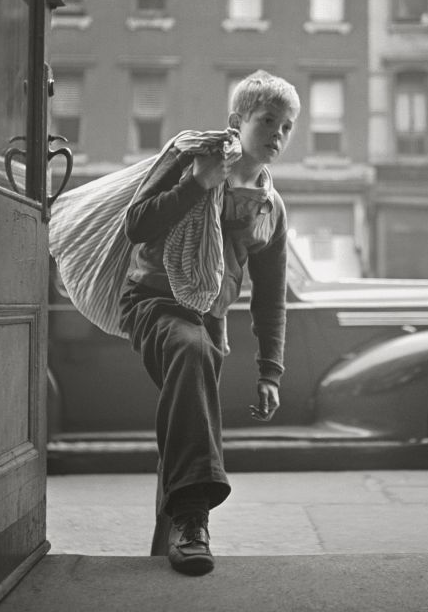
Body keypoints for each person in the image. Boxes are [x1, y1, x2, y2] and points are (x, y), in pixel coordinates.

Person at [118, 70, 300, 576]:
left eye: (287, 127)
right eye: (267, 121)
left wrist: (270, 371)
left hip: (210, 323)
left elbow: (269, 297)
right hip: (154, 302)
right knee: (190, 354)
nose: (278, 135)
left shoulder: (270, 210)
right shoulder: (190, 158)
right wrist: (199, 184)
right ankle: (194, 520)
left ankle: (169, 547)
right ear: (236, 122)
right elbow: (137, 224)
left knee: (184, 423)